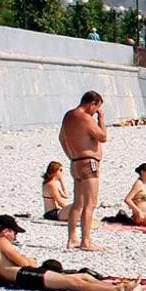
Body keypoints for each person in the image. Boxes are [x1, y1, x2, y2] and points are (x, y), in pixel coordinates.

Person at [0, 214, 140, 291]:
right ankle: (118, 289)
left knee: (82, 275)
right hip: (23, 276)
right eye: (14, 232)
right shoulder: (1, 242)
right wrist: (30, 259)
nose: (15, 236)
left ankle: (113, 285)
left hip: (20, 276)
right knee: (73, 282)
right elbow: (24, 263)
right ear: (6, 231)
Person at [58, 90, 108, 251]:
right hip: (89, 163)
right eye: (96, 108)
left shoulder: (69, 116)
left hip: (76, 162)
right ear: (92, 104)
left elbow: (61, 138)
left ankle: (72, 239)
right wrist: (101, 119)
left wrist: (70, 154)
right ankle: (86, 241)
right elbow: (102, 137)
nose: (95, 112)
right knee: (90, 203)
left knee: (77, 203)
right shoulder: (85, 118)